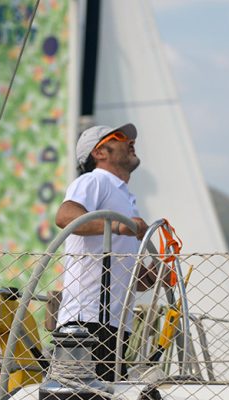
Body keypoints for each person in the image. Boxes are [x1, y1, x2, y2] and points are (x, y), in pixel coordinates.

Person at [55, 123, 158, 381]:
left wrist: (146, 277)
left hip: (115, 323)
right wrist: (119, 226)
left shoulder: (124, 196)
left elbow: (115, 268)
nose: (130, 141)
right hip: (87, 320)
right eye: (120, 137)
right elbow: (66, 216)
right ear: (99, 153)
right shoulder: (94, 180)